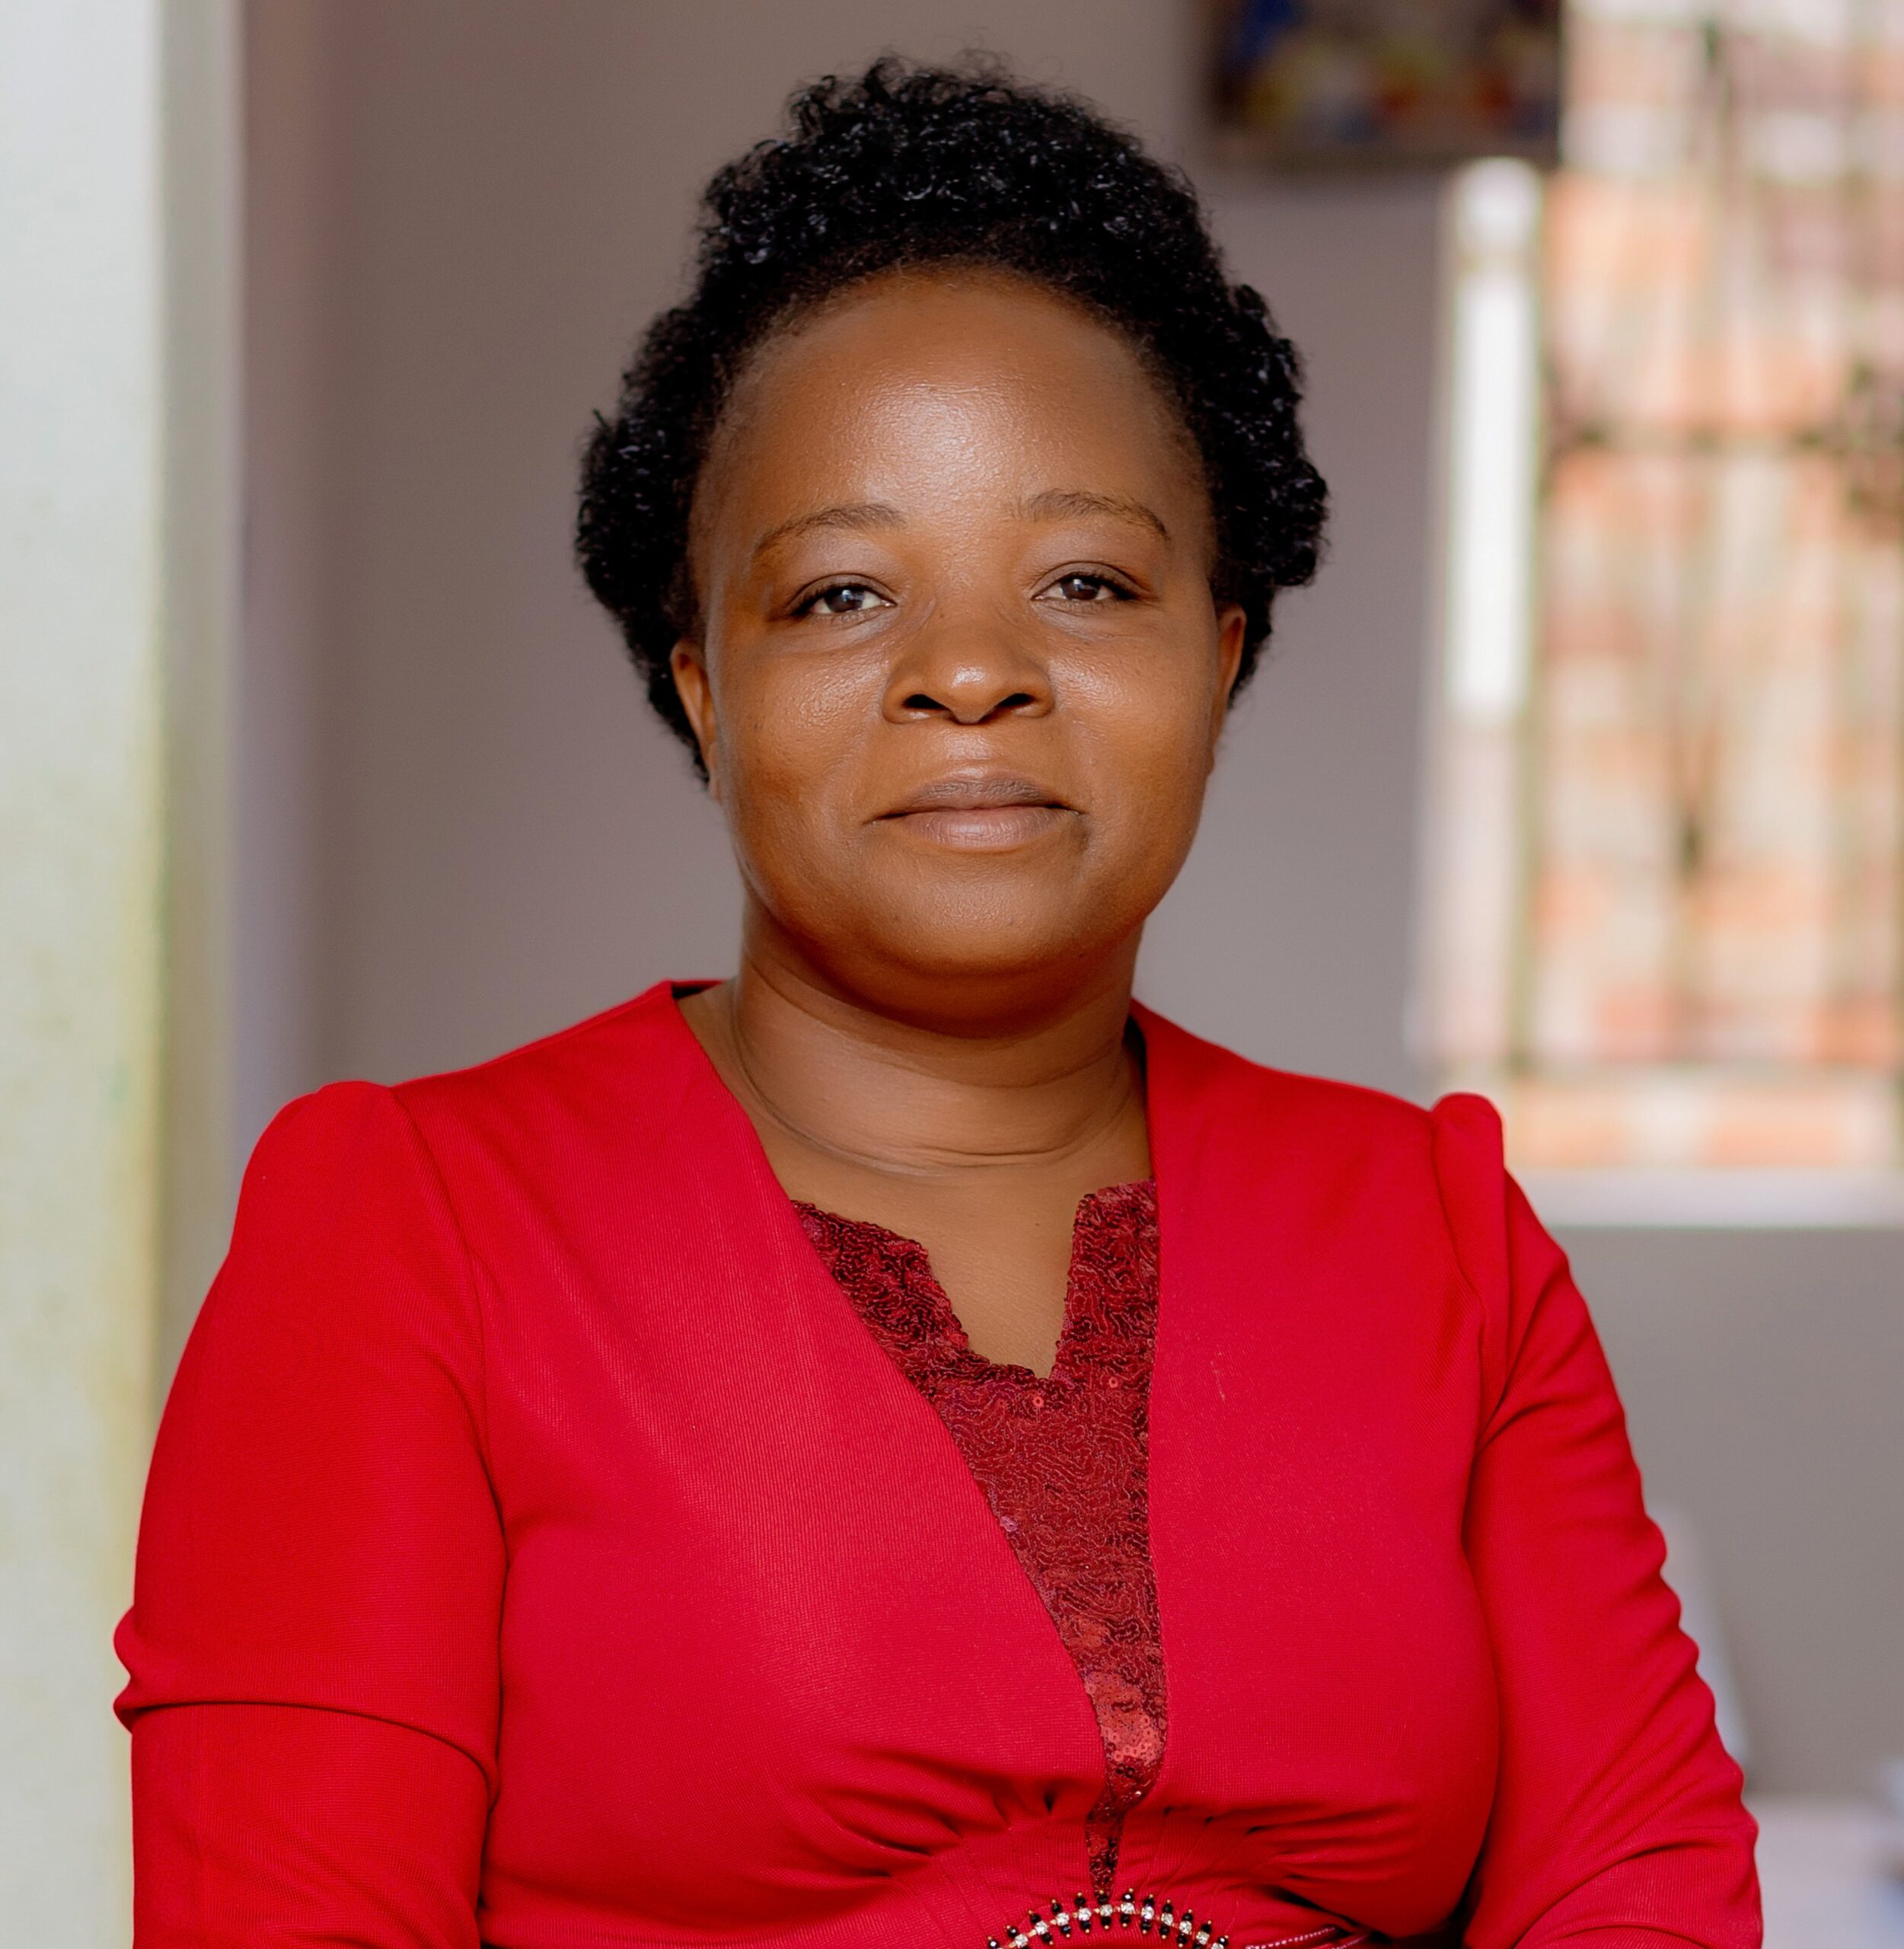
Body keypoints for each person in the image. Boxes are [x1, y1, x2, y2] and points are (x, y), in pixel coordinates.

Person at [116, 59, 1761, 1949]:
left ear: (1218, 658)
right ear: (704, 684)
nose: (971, 671)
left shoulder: (1443, 1237)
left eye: (1087, 580)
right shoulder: (415, 1231)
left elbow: (1641, 1892)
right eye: (838, 595)